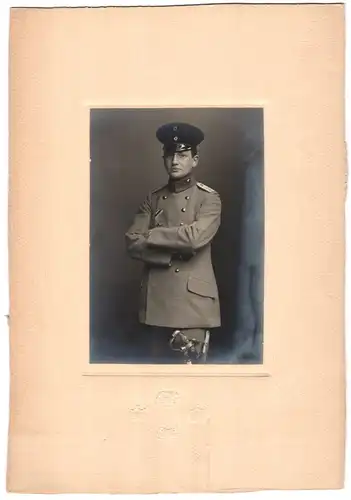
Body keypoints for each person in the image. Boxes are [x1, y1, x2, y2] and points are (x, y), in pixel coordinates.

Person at [125, 122, 221, 363]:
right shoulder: (153, 198)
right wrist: (167, 254)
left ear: (195, 160)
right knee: (155, 382)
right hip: (156, 302)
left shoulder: (209, 199)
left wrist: (153, 234)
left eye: (183, 155)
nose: (175, 161)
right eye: (170, 155)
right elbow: (132, 242)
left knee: (190, 382)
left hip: (192, 305)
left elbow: (194, 239)